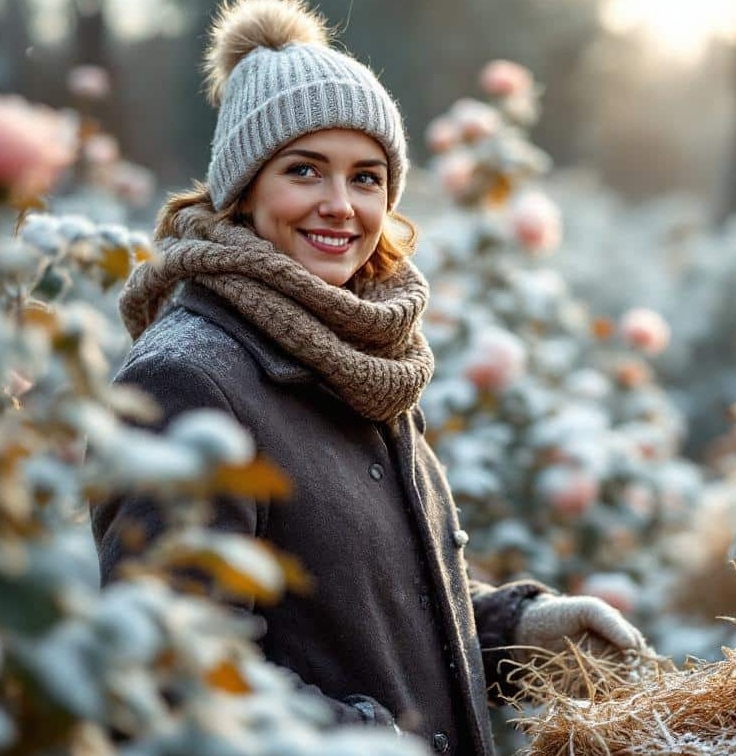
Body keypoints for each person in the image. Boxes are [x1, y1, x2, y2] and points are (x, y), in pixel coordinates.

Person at [91, 1, 644, 753]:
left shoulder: (361, 356)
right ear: (243, 190)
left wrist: (518, 635)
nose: (340, 205)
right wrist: (364, 740)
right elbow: (165, 672)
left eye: (367, 177)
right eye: (303, 170)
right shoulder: (190, 381)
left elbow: (371, 616)